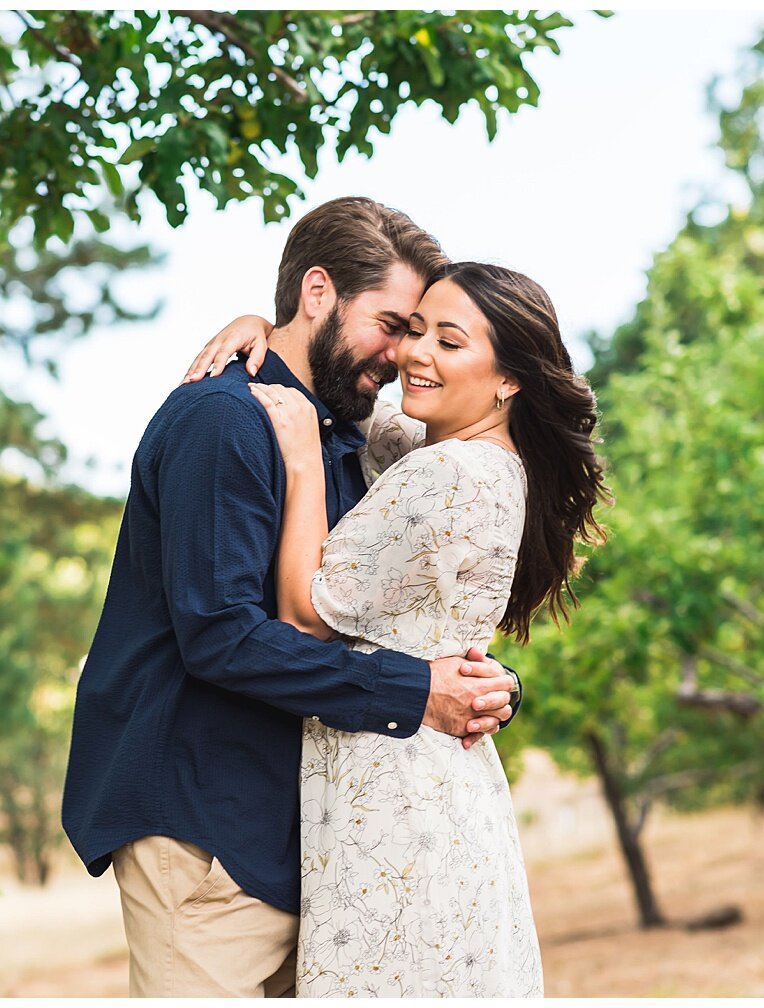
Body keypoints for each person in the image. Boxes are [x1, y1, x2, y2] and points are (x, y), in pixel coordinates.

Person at [61, 198, 527, 998]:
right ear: (318, 292)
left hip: (305, 836)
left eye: (420, 331)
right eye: (392, 323)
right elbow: (221, 635)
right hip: (205, 826)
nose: (402, 352)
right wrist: (418, 692)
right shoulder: (224, 421)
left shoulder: (340, 433)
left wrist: (481, 684)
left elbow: (384, 606)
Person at [192, 261, 608, 996]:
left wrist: (301, 463)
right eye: (415, 330)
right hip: (442, 776)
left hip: (393, 789)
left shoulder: (445, 474)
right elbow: (353, 406)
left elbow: (301, 614)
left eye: (450, 342)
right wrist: (273, 330)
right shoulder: (469, 458)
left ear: (508, 378)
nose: (416, 354)